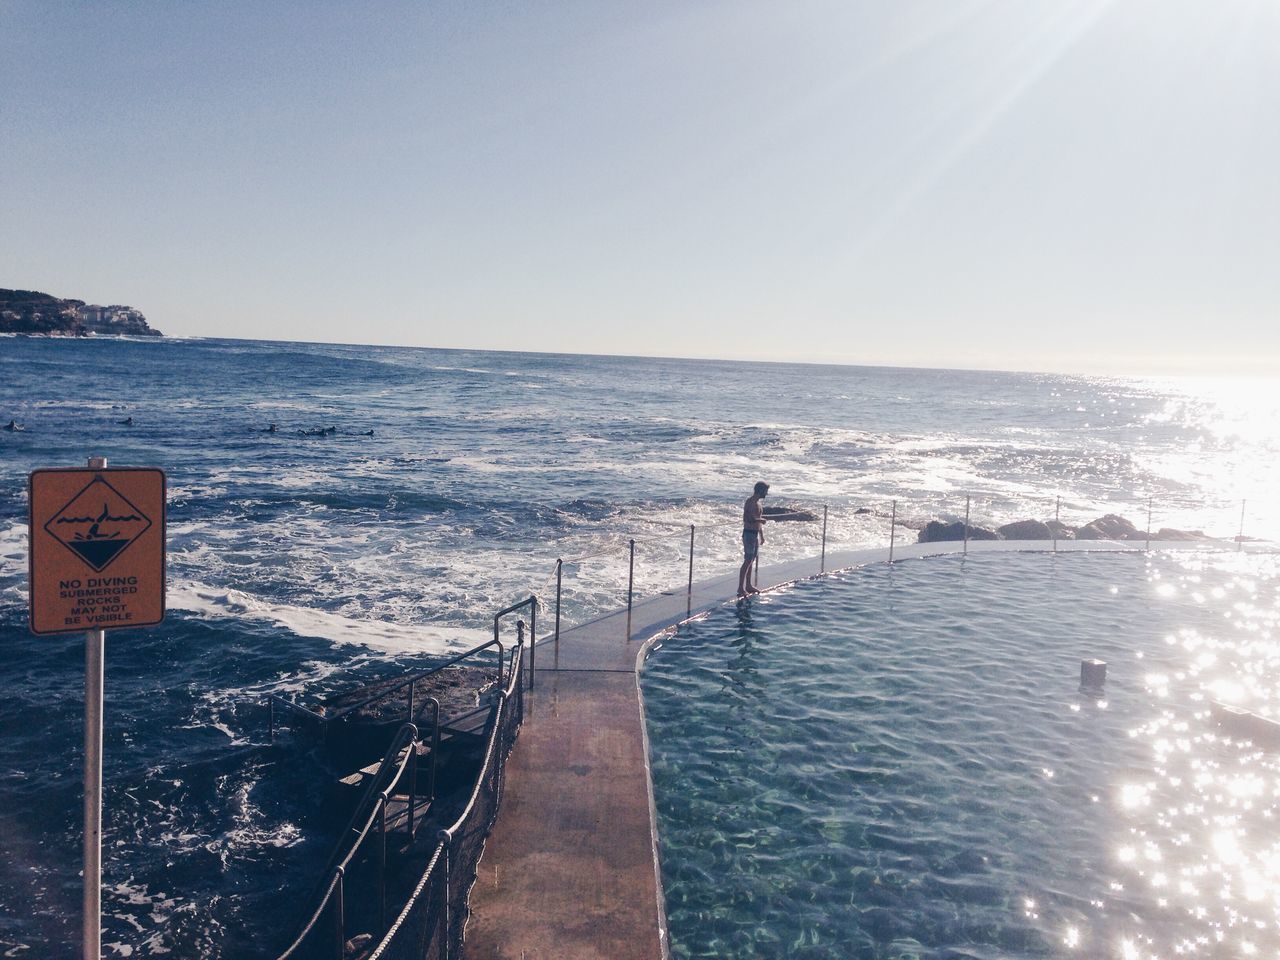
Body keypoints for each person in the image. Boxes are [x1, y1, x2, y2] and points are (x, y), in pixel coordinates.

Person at [739, 481, 769, 598]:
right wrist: (760, 520)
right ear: (760, 491)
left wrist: (761, 535)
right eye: (765, 491)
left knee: (752, 561)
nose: (766, 494)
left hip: (755, 534)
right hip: (748, 534)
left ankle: (748, 585)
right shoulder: (750, 502)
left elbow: (757, 521)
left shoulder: (758, 503)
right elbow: (747, 519)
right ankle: (740, 587)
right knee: (747, 560)